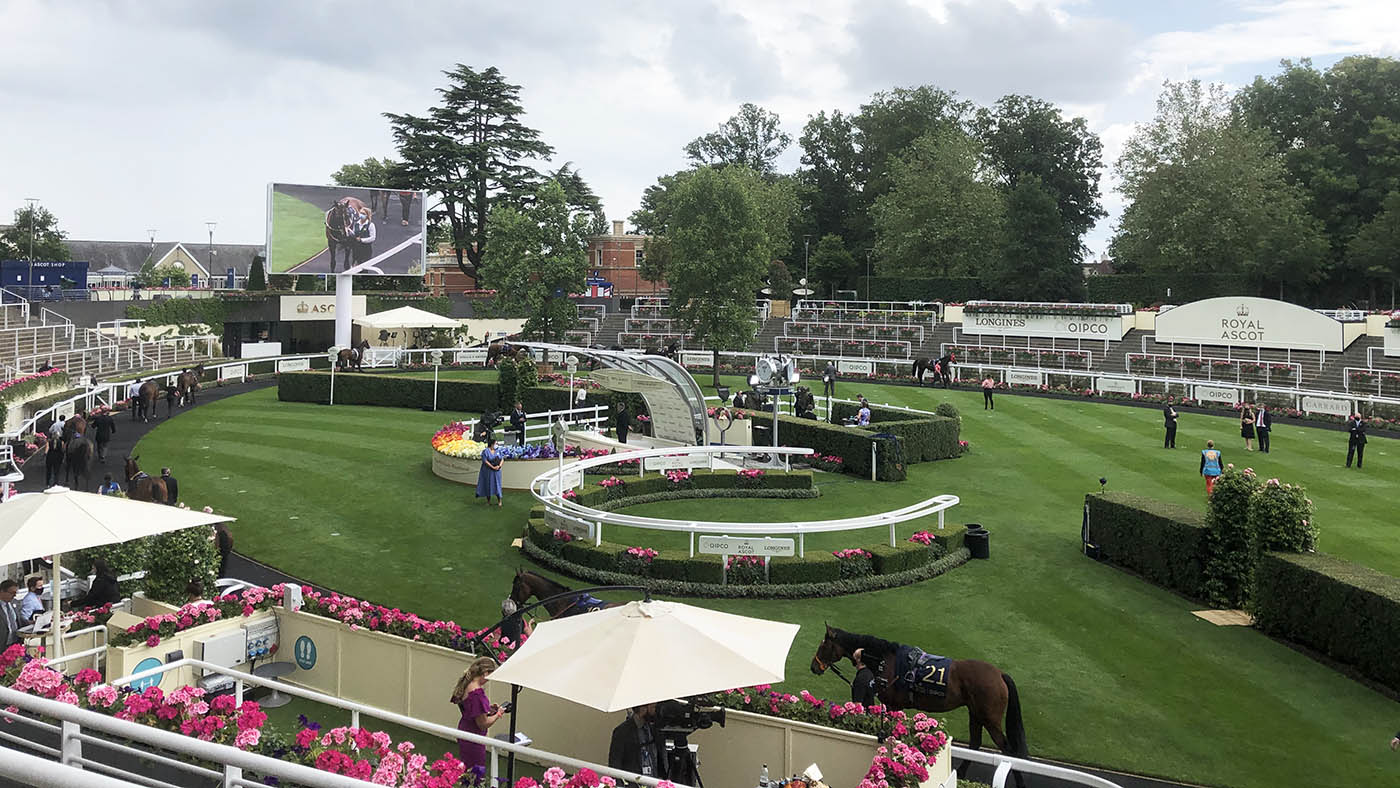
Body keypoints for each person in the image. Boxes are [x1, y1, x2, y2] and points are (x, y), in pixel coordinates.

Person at [450, 656, 505, 777]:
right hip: (473, 738)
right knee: (476, 774)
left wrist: (488, 709)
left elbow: (472, 710)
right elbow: (483, 723)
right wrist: (498, 714)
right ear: (485, 673)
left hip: (465, 731)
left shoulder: (467, 685)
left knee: (467, 772)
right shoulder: (477, 694)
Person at [608, 702, 666, 778]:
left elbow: (660, 758)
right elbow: (615, 764)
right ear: (643, 708)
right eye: (653, 708)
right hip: (634, 782)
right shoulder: (622, 732)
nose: (655, 712)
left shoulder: (653, 728)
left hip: (653, 781)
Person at [475, 437, 503, 506]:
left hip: (497, 471)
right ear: (492, 444)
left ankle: (499, 501)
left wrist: (499, 466)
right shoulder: (486, 451)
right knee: (488, 485)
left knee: (497, 485)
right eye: (495, 443)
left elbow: (502, 459)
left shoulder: (498, 451)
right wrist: (492, 467)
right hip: (488, 471)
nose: (497, 445)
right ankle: (488, 501)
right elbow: (485, 461)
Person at [0, 581, 20, 650]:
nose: (15, 595)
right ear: (2, 592)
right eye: (12, 593)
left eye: (16, 593)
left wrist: (33, 622)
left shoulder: (14, 603)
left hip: (15, 644)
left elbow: (19, 619)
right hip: (2, 645)